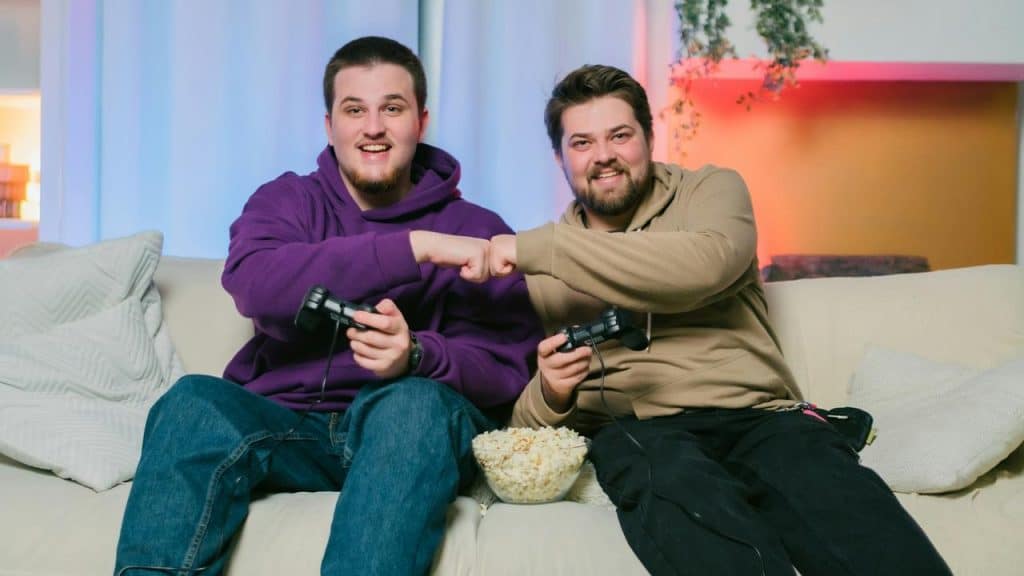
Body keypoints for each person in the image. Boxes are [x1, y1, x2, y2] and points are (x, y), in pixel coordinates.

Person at [487, 64, 951, 576]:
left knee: (845, 507)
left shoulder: (710, 193)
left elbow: (703, 266)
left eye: (620, 135)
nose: (603, 156)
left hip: (758, 416)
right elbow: (518, 435)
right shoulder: (542, 272)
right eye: (581, 143)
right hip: (644, 434)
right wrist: (550, 393)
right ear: (560, 157)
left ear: (648, 137)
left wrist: (541, 248)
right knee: (676, 491)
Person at [114, 36, 542, 576]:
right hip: (290, 426)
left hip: (410, 433)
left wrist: (416, 355)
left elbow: (508, 368)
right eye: (354, 110)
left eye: (392, 108)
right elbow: (255, 284)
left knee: (411, 405)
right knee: (193, 400)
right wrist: (414, 247)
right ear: (329, 125)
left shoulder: (476, 230)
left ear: (421, 122)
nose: (373, 127)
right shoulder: (288, 201)